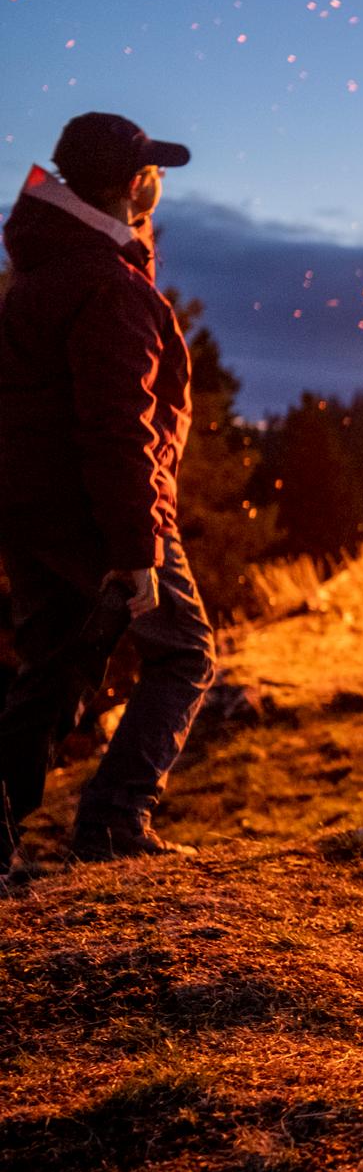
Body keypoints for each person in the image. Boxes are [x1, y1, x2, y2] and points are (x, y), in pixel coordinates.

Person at [0, 113, 216, 867]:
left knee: (53, 671)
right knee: (185, 652)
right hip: (100, 510)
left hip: (32, 506)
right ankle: (115, 820)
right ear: (132, 184)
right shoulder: (107, 284)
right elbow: (115, 426)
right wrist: (137, 545)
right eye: (149, 171)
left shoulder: (41, 271)